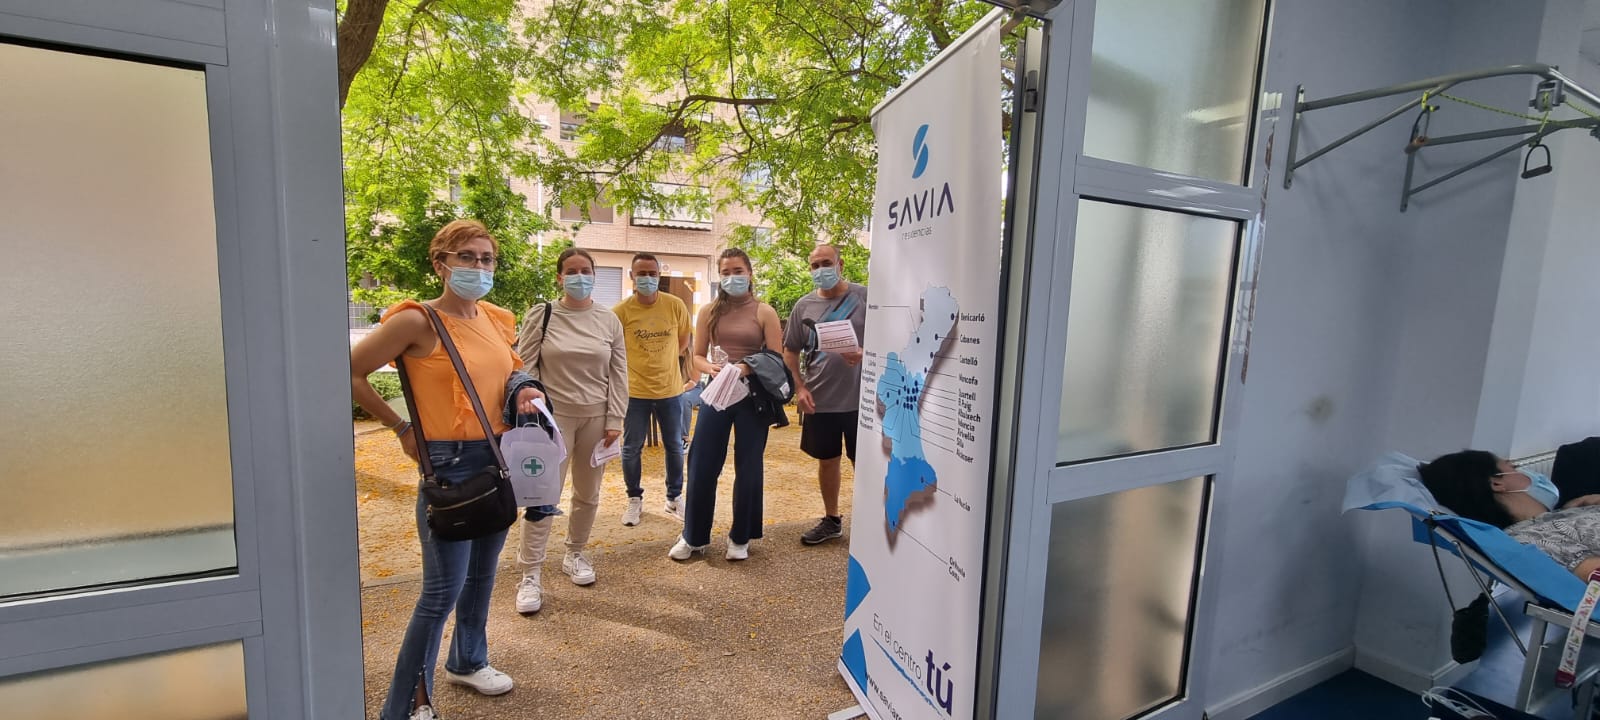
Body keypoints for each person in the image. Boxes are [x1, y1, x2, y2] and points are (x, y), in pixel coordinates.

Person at [351, 219, 544, 720]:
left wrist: (524, 385)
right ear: (441, 264)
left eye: (487, 258)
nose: (479, 266)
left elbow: (510, 369)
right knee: (441, 592)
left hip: (496, 455)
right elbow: (349, 371)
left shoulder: (493, 318)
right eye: (467, 257)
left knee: (482, 576)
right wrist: (400, 427)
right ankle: (405, 704)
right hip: (450, 462)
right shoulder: (417, 321)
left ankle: (468, 660)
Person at [512, 247, 627, 613]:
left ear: (594, 275)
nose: (579, 277)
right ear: (560, 277)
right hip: (552, 421)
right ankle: (530, 573)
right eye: (572, 271)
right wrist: (532, 407)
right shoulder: (543, 315)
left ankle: (575, 553)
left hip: (597, 420)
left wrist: (615, 418)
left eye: (585, 271)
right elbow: (525, 366)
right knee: (542, 497)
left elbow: (619, 373)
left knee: (588, 494)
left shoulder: (609, 320)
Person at [670, 248, 785, 561]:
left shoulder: (764, 311)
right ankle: (693, 536)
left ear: (749, 273)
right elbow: (697, 355)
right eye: (726, 272)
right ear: (719, 276)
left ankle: (740, 536)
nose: (732, 277)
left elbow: (776, 358)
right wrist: (711, 368)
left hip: (753, 397)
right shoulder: (709, 311)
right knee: (701, 462)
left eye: (738, 271)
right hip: (718, 391)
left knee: (749, 466)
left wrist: (745, 367)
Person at [782, 244, 867, 545]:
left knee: (865, 464)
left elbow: (891, 340)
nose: (821, 270)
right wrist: (800, 387)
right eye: (815, 265)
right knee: (827, 461)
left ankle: (872, 524)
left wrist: (865, 353)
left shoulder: (865, 298)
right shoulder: (803, 306)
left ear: (840, 264)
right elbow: (790, 350)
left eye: (826, 263)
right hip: (820, 400)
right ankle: (832, 520)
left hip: (862, 401)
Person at [1420, 450, 1600, 578]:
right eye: (1513, 467)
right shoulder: (1533, 540)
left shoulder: (1562, 516)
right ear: (1497, 483)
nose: (1530, 474)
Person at [612, 253, 693, 525]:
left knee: (675, 446)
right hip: (634, 393)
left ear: (659, 276)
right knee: (631, 448)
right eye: (641, 274)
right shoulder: (620, 312)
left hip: (670, 391)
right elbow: (614, 350)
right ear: (632, 277)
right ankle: (634, 498)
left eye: (652, 273)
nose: (647, 278)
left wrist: (663, 362)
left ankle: (674, 498)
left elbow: (683, 341)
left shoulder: (675, 305)